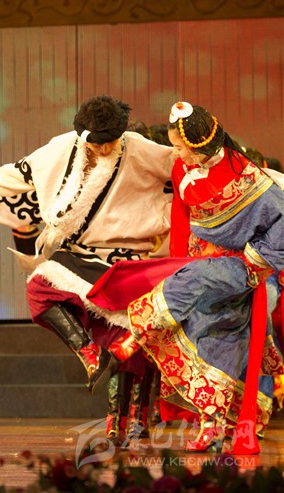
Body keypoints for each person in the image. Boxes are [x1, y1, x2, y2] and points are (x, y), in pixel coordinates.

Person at [0, 95, 174, 401]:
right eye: (97, 143)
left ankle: (129, 419)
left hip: (127, 258)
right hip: (80, 254)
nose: (104, 149)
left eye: (110, 142)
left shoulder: (140, 148)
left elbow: (184, 167)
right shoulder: (61, 148)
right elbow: (18, 173)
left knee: (123, 342)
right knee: (40, 287)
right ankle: (90, 354)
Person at [88, 101, 284, 454]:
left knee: (221, 321)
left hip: (239, 268)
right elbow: (181, 219)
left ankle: (137, 334)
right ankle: (212, 427)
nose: (175, 153)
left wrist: (259, 261)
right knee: (212, 342)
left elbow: (279, 219)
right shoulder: (182, 168)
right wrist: (178, 261)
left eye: (179, 146)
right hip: (199, 263)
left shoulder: (246, 175)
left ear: (199, 143)